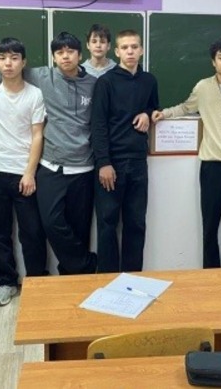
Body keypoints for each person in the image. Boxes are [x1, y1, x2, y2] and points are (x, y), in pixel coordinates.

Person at [0, 32, 97, 275]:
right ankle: (84, 264)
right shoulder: (42, 77)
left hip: (81, 164)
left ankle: (71, 276)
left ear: (80, 55)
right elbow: (7, 70)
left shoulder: (93, 84)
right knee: (47, 223)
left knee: (73, 228)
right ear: (53, 57)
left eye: (70, 51)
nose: (65, 56)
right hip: (48, 165)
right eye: (59, 52)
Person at [153, 38, 221, 268]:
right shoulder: (203, 87)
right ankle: (210, 270)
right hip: (212, 166)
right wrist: (164, 114)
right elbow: (186, 107)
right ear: (213, 62)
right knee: (210, 223)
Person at [0, 37, 47, 306]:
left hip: (24, 171)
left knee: (32, 231)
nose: (8, 63)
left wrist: (29, 173)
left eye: (14, 58)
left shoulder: (35, 94)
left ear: (23, 62)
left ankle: (36, 280)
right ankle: (5, 282)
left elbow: (38, 135)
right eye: (2, 58)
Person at [91, 30, 159, 272]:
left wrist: (147, 114)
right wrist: (104, 163)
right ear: (117, 51)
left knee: (136, 223)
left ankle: (132, 276)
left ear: (141, 50)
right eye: (125, 47)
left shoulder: (149, 80)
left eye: (134, 47)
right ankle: (107, 277)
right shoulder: (106, 82)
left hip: (138, 161)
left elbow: (154, 107)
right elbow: (98, 125)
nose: (130, 51)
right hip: (112, 163)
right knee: (107, 223)